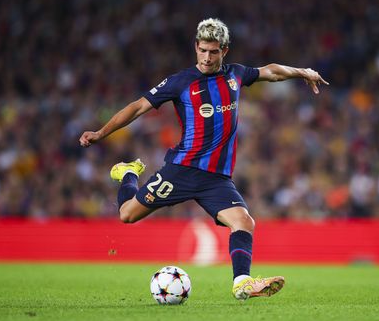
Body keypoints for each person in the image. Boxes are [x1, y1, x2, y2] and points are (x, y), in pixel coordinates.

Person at [79, 18, 328, 300]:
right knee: (127, 215)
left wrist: (302, 71)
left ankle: (242, 283)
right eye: (203, 50)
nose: (207, 57)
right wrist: (101, 133)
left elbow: (271, 71)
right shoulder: (180, 82)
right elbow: (138, 107)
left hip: (216, 178)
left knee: (244, 222)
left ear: (225, 51)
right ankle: (128, 173)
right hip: (182, 170)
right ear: (196, 48)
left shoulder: (236, 75)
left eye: (214, 51)